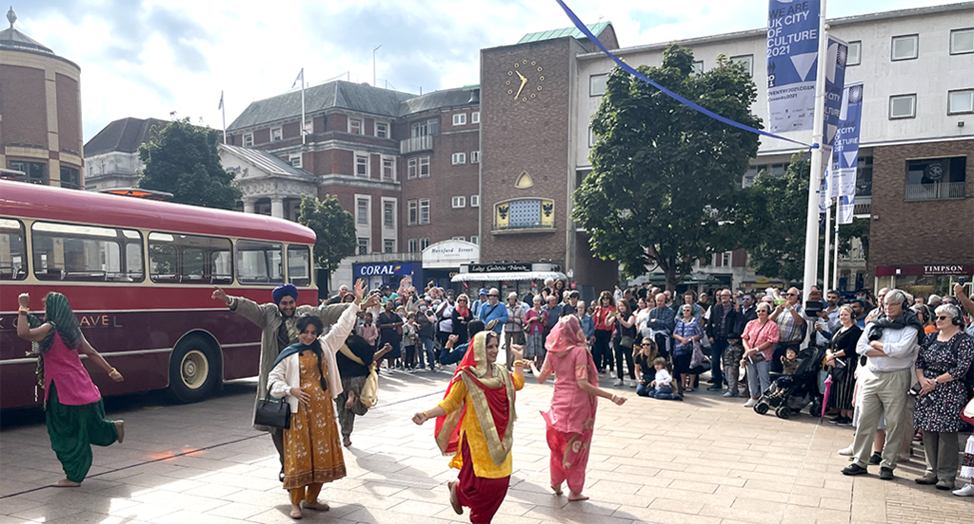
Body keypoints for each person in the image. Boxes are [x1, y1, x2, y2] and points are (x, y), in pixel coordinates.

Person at [212, 283, 351, 481]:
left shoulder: (305, 313)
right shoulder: (268, 314)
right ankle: (285, 462)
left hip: (301, 377)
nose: (288, 306)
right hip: (276, 375)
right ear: (278, 303)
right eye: (284, 303)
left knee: (298, 420)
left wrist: (356, 306)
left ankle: (303, 461)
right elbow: (250, 308)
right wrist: (228, 300)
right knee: (275, 421)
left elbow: (328, 312)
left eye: (291, 302)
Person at [267, 282, 375, 519]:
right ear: (298, 332)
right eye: (305, 332)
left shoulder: (325, 346)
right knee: (299, 457)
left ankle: (312, 499)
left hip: (323, 413)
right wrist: (289, 389)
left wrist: (356, 302)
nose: (309, 336)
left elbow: (343, 326)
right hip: (298, 415)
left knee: (321, 455)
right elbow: (272, 380)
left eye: (313, 333)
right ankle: (296, 502)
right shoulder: (289, 354)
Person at [412, 332, 525, 523]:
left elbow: (518, 383)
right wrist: (425, 414)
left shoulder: (502, 373)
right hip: (476, 443)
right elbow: (449, 404)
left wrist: (519, 359)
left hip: (501, 439)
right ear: (479, 348)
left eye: (496, 346)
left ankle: (460, 494)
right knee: (483, 486)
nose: (494, 350)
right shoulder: (467, 376)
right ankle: (476, 514)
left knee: (500, 484)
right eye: (489, 346)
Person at [16, 292, 125, 487]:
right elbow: (91, 352)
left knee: (65, 433)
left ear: (52, 309)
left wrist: (22, 307)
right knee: (88, 425)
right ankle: (112, 429)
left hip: (62, 391)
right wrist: (112, 371)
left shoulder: (49, 329)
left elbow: (24, 333)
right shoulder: (73, 330)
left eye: (46, 307)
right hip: (84, 387)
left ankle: (74, 476)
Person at [529, 315, 626, 501]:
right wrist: (612, 396)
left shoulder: (553, 351)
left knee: (559, 445)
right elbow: (582, 383)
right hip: (579, 406)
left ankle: (556, 482)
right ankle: (575, 490)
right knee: (578, 446)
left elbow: (541, 378)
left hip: (558, 403)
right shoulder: (579, 351)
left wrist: (532, 365)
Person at [842, 290, 923, 481]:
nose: (888, 308)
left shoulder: (911, 327)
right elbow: (860, 348)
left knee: (894, 423)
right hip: (871, 375)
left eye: (893, 304)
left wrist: (876, 345)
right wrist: (887, 350)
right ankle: (860, 461)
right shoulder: (875, 323)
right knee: (865, 420)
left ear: (903, 306)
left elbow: (902, 351)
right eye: (886, 304)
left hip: (896, 377)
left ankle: (888, 464)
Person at [912, 304, 974, 491]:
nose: (937, 321)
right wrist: (922, 380)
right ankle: (931, 471)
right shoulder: (930, 337)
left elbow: (962, 367)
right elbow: (920, 361)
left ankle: (947, 475)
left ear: (955, 320)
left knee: (947, 433)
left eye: (942, 318)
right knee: (928, 430)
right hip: (927, 389)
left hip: (950, 390)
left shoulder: (964, 341)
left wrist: (936, 382)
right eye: (936, 317)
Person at [334, 335, 391, 447]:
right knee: (361, 407)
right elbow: (371, 358)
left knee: (342, 409)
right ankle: (353, 398)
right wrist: (384, 350)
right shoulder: (358, 340)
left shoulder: (335, 342)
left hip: (339, 378)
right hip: (358, 377)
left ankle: (346, 436)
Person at [825, 305, 862, 426]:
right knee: (837, 389)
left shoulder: (855, 331)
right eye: (841, 315)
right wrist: (829, 355)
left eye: (846, 315)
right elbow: (830, 344)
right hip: (835, 363)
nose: (843, 317)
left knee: (846, 389)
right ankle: (840, 413)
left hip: (848, 363)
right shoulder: (838, 329)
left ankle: (847, 415)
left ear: (851, 316)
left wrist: (834, 355)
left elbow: (851, 348)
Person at [741, 302, 780, 408]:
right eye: (758, 311)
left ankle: (765, 399)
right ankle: (753, 396)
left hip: (764, 355)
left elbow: (772, 341)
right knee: (751, 377)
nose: (761, 313)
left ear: (768, 312)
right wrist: (749, 350)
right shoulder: (751, 323)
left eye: (763, 311)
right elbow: (744, 337)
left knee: (764, 377)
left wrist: (757, 349)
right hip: (750, 355)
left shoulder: (772, 325)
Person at [706, 289, 743, 393]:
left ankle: (730, 384)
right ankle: (717, 382)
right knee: (715, 361)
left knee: (729, 363)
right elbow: (710, 322)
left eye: (726, 296)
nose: (723, 298)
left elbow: (739, 322)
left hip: (729, 340)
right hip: (716, 339)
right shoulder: (716, 308)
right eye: (722, 296)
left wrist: (738, 311)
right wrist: (709, 335)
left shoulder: (734, 309)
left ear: (730, 297)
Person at [769, 287, 805, 373]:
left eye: (792, 295)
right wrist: (777, 311)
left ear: (798, 297)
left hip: (791, 344)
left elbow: (800, 322)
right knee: (775, 369)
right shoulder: (781, 308)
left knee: (789, 371)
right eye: (787, 294)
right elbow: (768, 322)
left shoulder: (800, 309)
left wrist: (791, 309)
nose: (789, 296)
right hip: (778, 344)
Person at [673, 304, 704, 393]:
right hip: (680, 347)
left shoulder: (695, 322)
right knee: (682, 366)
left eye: (688, 310)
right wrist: (682, 339)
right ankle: (683, 384)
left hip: (692, 347)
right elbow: (675, 333)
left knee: (692, 366)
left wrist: (689, 339)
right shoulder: (680, 322)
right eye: (684, 310)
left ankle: (691, 384)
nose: (685, 312)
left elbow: (700, 334)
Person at [607, 299, 637, 387]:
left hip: (627, 337)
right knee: (618, 358)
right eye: (619, 306)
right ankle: (620, 378)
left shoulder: (631, 316)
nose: (621, 308)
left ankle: (633, 378)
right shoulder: (617, 315)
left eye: (623, 306)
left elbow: (628, 325)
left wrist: (621, 320)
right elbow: (608, 324)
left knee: (628, 358)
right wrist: (608, 317)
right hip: (617, 337)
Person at [592, 291, 616, 374]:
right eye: (603, 299)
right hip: (598, 330)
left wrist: (613, 335)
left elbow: (613, 324)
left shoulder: (613, 309)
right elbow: (594, 320)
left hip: (607, 331)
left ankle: (607, 366)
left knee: (607, 350)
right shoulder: (598, 308)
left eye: (607, 299)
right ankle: (597, 366)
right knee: (597, 350)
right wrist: (593, 332)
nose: (605, 300)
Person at [376, 300, 404, 370]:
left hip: (393, 336)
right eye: (388, 304)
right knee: (381, 352)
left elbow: (401, 322)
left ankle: (390, 367)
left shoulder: (394, 315)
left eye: (391, 305)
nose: (389, 306)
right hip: (384, 336)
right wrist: (389, 325)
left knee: (392, 353)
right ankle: (377, 367)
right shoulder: (381, 315)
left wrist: (394, 325)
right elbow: (378, 324)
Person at [502, 292, 526, 370]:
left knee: (515, 347)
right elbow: (503, 318)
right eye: (510, 299)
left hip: (517, 329)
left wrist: (514, 320)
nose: (511, 301)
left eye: (513, 299)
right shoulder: (505, 308)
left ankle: (514, 363)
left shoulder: (519, 308)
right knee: (507, 347)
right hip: (507, 329)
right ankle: (508, 364)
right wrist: (507, 319)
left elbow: (523, 319)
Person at [524, 296, 548, 369]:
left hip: (540, 332)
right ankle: (532, 366)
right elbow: (525, 322)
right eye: (535, 301)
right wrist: (531, 319)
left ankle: (538, 366)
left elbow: (546, 324)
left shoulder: (544, 312)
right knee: (531, 350)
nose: (537, 303)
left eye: (538, 301)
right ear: (533, 302)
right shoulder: (529, 311)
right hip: (531, 332)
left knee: (539, 350)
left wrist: (543, 319)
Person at [415, 299, 438, 371]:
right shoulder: (417, 313)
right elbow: (413, 321)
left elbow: (432, 320)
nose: (422, 307)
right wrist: (416, 325)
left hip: (428, 334)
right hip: (420, 334)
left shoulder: (429, 312)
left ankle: (432, 365)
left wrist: (425, 314)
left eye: (424, 305)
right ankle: (422, 365)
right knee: (420, 350)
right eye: (421, 305)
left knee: (430, 350)